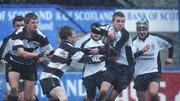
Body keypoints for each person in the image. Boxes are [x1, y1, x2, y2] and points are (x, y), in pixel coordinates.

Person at [39, 26, 105, 101]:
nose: (76, 35)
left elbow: (82, 50)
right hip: (50, 77)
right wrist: (104, 57)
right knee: (63, 99)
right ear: (69, 37)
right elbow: (87, 59)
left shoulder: (65, 46)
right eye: (73, 34)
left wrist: (99, 49)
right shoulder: (69, 49)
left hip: (47, 77)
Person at [7, 12, 53, 101]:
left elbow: (50, 54)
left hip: (29, 66)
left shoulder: (41, 36)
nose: (35, 25)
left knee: (29, 98)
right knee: (14, 90)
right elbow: (21, 53)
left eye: (37, 22)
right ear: (26, 24)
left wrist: (64, 54)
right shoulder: (18, 33)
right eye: (33, 23)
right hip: (15, 63)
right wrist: (38, 55)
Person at [94, 11, 134, 101]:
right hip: (112, 66)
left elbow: (115, 51)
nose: (120, 24)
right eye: (118, 21)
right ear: (113, 22)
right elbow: (93, 27)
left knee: (111, 98)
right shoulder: (108, 28)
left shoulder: (125, 34)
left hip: (126, 69)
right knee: (103, 91)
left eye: (123, 22)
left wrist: (99, 50)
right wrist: (106, 33)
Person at [132, 18, 174, 101]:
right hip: (139, 74)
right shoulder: (134, 42)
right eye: (139, 30)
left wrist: (170, 57)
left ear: (147, 29)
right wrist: (141, 51)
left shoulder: (155, 39)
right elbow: (130, 57)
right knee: (141, 99)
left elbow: (170, 43)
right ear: (137, 30)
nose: (142, 32)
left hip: (153, 72)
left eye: (144, 30)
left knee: (153, 92)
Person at [0, 15, 26, 101]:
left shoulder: (31, 38)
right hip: (12, 69)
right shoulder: (9, 40)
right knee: (20, 96)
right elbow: (1, 56)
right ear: (13, 26)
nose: (20, 28)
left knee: (27, 96)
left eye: (22, 25)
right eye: (17, 25)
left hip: (26, 70)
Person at [80, 22, 106, 101]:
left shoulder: (104, 43)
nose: (96, 34)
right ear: (91, 31)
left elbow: (110, 54)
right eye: (94, 31)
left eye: (98, 32)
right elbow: (80, 58)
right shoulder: (85, 44)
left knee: (104, 92)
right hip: (89, 74)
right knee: (90, 97)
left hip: (102, 72)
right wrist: (92, 60)